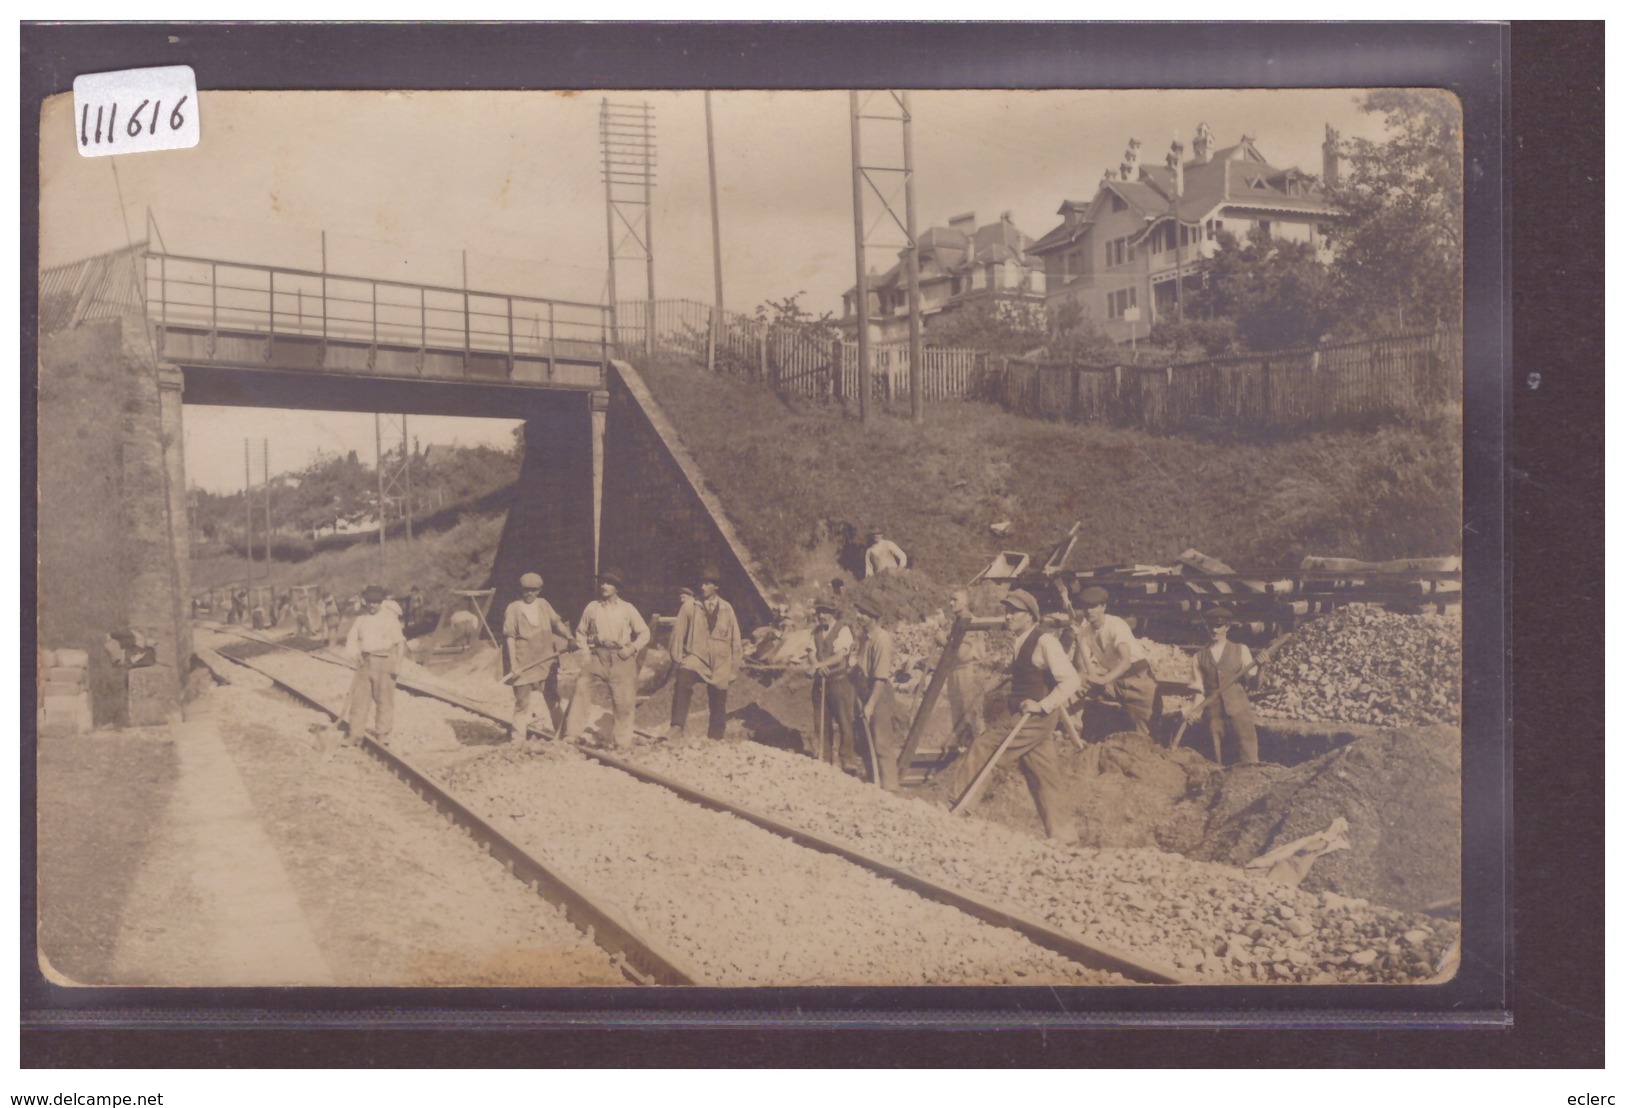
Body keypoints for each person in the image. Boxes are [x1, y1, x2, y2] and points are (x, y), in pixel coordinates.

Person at [944, 589, 1080, 842]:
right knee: (1043, 773)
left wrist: (1042, 705)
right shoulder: (1021, 640)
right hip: (1027, 716)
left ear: (1030, 617)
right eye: (1006, 611)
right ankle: (1064, 835)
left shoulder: (1044, 641)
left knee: (986, 746)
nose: (1008, 616)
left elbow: (1071, 680)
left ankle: (959, 805)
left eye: (1014, 612)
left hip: (1034, 717)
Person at [562, 568, 650, 750]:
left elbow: (644, 632)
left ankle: (622, 742)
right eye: (602, 582)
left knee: (623, 700)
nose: (604, 586)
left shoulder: (627, 609)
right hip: (598, 655)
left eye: (609, 583)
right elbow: (580, 632)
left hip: (621, 657)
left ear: (617, 588)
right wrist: (585, 653)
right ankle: (572, 734)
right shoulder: (592, 607)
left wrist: (632, 648)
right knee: (581, 688)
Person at [1186, 607, 1268, 766]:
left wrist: (1262, 668)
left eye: (1218, 626)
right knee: (1217, 764)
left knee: (1248, 761)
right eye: (1210, 626)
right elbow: (1199, 690)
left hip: (1239, 716)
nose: (1214, 630)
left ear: (1227, 627)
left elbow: (1254, 685)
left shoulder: (1241, 650)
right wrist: (1195, 710)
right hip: (1213, 718)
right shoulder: (1198, 657)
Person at [667, 568, 743, 741]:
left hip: (721, 661)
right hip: (697, 656)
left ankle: (716, 737)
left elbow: (736, 640)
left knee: (718, 699)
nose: (702, 587)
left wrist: (734, 668)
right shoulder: (690, 605)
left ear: (716, 586)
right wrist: (678, 658)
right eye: (701, 583)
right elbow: (678, 633)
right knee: (683, 679)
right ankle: (677, 726)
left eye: (707, 583)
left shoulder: (726, 608)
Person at [1072, 585, 1158, 735]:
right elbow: (1080, 668)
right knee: (1076, 682)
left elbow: (1125, 662)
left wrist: (1103, 679)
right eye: (1086, 607)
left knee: (1145, 731)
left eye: (1094, 607)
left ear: (1103, 607)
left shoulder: (1116, 625)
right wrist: (1078, 640)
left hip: (1138, 678)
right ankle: (1075, 728)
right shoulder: (1085, 631)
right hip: (1114, 681)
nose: (1089, 611)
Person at [503, 571, 574, 739]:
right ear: (520, 589)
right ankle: (517, 741)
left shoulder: (543, 605)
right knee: (522, 704)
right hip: (523, 663)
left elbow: (557, 623)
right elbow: (510, 638)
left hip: (546, 661)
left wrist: (570, 637)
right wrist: (513, 664)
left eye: (533, 590)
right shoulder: (513, 608)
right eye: (526, 590)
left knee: (553, 699)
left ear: (539, 590)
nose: (529, 594)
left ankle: (564, 735)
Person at [342, 584, 405, 743]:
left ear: (381, 602)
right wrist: (355, 654)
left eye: (376, 602)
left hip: (384, 662)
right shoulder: (361, 620)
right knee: (359, 700)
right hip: (365, 663)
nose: (372, 605)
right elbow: (351, 640)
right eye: (370, 602)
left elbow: (400, 642)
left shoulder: (389, 619)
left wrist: (397, 665)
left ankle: (382, 734)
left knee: (384, 700)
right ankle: (355, 734)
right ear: (365, 602)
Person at [850, 596, 902, 789]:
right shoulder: (865, 638)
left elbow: (880, 677)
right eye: (859, 612)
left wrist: (870, 704)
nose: (858, 616)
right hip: (865, 690)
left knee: (881, 741)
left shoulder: (881, 639)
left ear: (873, 617)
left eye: (863, 614)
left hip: (879, 694)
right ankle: (874, 782)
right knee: (866, 739)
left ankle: (890, 787)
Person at [803, 600, 857, 770]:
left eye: (824, 612)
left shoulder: (843, 630)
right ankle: (825, 758)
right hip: (820, 683)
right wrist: (816, 664)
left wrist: (818, 665)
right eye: (818, 612)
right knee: (821, 722)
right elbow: (811, 653)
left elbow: (840, 656)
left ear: (833, 613)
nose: (820, 616)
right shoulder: (816, 631)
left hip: (839, 682)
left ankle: (847, 759)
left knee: (845, 722)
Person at [945, 588, 989, 749]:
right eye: (950, 599)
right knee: (957, 712)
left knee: (971, 711)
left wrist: (944, 641)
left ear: (965, 602)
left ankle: (982, 750)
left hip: (968, 670)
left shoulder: (970, 622)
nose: (950, 603)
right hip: (955, 671)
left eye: (955, 599)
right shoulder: (958, 621)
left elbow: (962, 654)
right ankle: (964, 747)